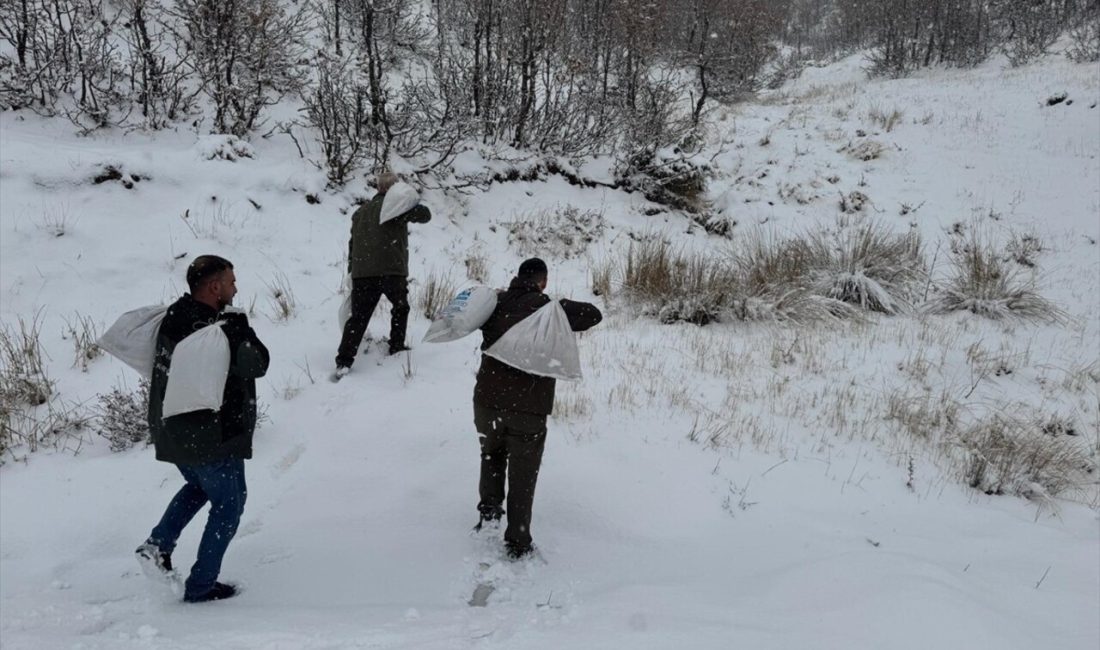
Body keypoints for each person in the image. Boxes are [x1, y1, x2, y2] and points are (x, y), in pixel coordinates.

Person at [135, 255, 270, 603]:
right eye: (231, 281)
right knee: (229, 505)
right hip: (211, 435)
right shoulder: (219, 331)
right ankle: (201, 586)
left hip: (173, 430)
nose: (235, 288)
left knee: (198, 485)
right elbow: (256, 363)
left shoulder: (175, 316)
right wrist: (242, 329)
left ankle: (157, 545)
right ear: (214, 287)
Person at [472, 257, 602, 559]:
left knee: (491, 454)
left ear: (517, 277)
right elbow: (593, 315)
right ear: (542, 281)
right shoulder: (550, 309)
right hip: (528, 407)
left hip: (487, 401)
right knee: (523, 473)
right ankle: (518, 542)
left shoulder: (494, 303)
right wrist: (555, 303)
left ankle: (489, 514)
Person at [334, 171, 431, 378]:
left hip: (363, 272)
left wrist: (353, 270)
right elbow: (425, 215)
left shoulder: (360, 213)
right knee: (400, 307)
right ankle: (396, 345)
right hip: (391, 271)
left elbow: (352, 245)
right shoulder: (396, 207)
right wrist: (411, 200)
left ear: (378, 188)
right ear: (395, 189)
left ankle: (343, 360)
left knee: (358, 318)